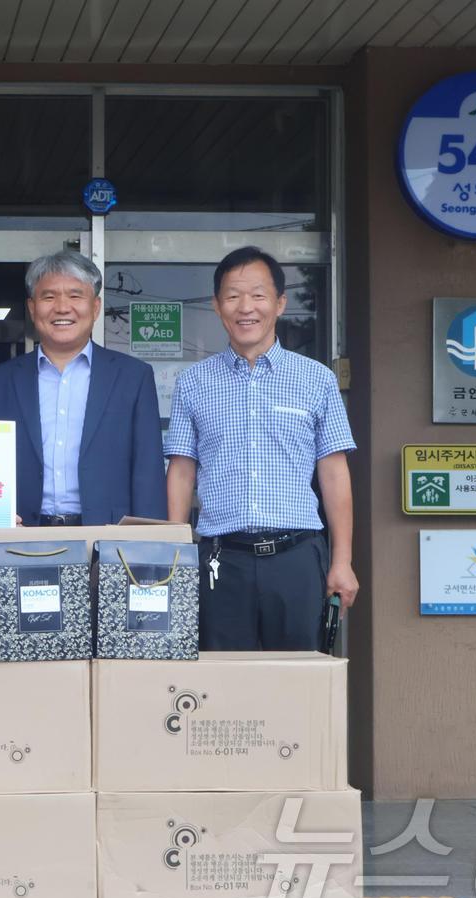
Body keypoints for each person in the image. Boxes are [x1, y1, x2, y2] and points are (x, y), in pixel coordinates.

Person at [166, 246, 358, 651]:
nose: (245, 307)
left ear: (280, 303)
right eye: (233, 296)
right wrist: (175, 553)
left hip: (297, 557)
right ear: (218, 306)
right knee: (222, 689)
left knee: (299, 682)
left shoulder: (317, 380)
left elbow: (334, 474)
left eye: (257, 294)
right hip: (222, 558)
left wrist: (342, 561)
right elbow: (182, 471)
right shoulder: (193, 383)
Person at [0, 250, 166, 526]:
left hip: (108, 540)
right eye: (49, 297)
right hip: (21, 538)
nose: (62, 307)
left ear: (96, 307)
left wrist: (148, 547)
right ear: (32, 307)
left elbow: (148, 472)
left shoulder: (133, 377)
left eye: (75, 296)